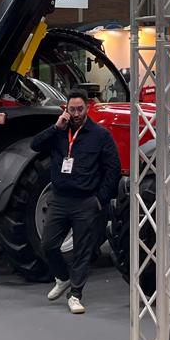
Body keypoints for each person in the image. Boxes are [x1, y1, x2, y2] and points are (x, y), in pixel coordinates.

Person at [30, 91, 118, 314]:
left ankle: (75, 294)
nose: (76, 114)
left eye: (80, 109)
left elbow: (113, 169)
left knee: (82, 251)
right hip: (59, 199)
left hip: (85, 202)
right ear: (66, 110)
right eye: (72, 109)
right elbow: (35, 144)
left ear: (87, 107)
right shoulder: (59, 132)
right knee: (48, 244)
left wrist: (100, 199)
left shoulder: (100, 135)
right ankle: (62, 278)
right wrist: (55, 127)